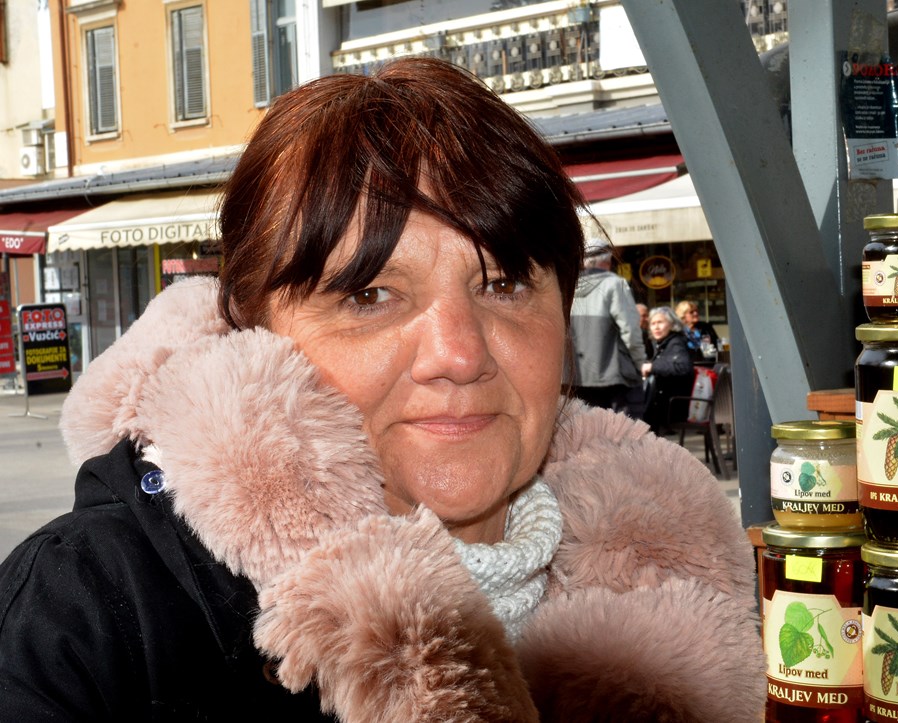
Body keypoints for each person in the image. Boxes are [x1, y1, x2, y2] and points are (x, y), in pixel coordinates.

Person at [0, 57, 763, 721]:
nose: (459, 355)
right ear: (253, 330)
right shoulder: (84, 617)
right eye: (370, 294)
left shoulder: (698, 597)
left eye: (503, 284)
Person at [566, 239, 646, 414]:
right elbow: (630, 330)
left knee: (584, 426)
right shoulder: (615, 284)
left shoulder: (568, 286)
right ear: (607, 260)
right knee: (619, 427)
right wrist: (640, 362)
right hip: (612, 374)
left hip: (575, 375)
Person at [641, 306, 696, 435]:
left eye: (660, 322)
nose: (656, 327)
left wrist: (652, 367)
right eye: (653, 323)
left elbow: (683, 367)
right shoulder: (663, 343)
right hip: (665, 403)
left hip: (673, 407)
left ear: (671, 324)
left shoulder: (675, 343)